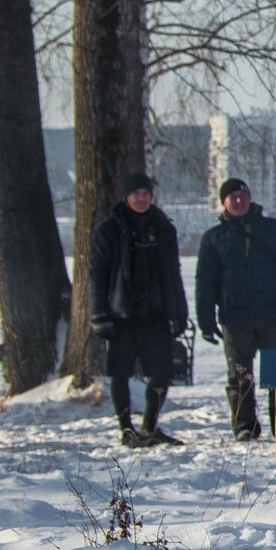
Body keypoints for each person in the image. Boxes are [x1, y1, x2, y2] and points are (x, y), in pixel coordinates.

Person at [193, 178, 276, 440]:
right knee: (239, 375)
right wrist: (205, 320)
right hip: (234, 317)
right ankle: (245, 425)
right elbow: (205, 281)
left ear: (250, 198)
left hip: (271, 314)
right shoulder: (213, 238)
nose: (239, 200)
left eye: (243, 195)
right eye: (233, 197)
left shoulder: (273, 230)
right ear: (224, 202)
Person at [85, 172, 189, 448]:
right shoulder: (109, 229)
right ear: (126, 196)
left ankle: (150, 425)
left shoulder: (164, 228)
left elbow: (173, 273)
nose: (141, 199)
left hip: (156, 314)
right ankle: (126, 429)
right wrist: (99, 314)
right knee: (119, 373)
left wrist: (179, 310)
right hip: (121, 316)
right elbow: (98, 275)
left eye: (146, 194)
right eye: (136, 194)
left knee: (163, 371)